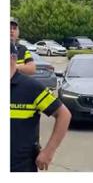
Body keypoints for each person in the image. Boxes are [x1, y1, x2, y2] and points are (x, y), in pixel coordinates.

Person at [11, 42, 72, 171]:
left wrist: (48, 152)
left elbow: (64, 115)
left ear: (13, 59)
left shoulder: (31, 87)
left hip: (21, 166)